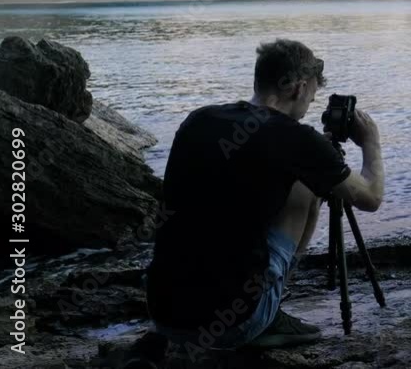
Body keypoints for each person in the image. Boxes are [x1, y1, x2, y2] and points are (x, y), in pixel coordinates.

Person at [144, 39, 386, 352]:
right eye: (310, 100)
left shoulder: (199, 119)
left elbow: (243, 169)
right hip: (233, 325)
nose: (304, 111)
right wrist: (371, 142)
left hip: (163, 313)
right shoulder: (295, 137)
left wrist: (315, 154)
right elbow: (371, 197)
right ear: (296, 88)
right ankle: (268, 314)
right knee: (307, 186)